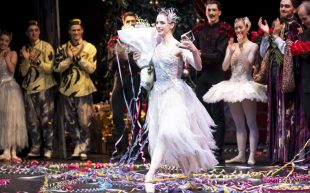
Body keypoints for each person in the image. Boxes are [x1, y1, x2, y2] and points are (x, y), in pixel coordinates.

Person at [118, 8, 218, 192]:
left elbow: (198, 65)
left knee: (166, 132)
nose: (158, 26)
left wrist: (195, 50)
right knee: (172, 137)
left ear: (171, 25)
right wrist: (138, 58)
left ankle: (151, 174)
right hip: (159, 95)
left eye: (162, 23)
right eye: (156, 22)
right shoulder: (156, 45)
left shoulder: (178, 46)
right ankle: (189, 178)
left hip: (176, 94)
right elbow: (147, 64)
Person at [203, 17, 267, 165]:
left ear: (247, 28)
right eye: (236, 28)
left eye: (241, 27)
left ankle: (251, 155)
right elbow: (225, 67)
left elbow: (250, 62)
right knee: (238, 123)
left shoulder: (253, 46)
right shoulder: (231, 45)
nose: (238, 30)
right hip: (232, 84)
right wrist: (231, 52)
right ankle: (240, 154)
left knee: (250, 122)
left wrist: (243, 49)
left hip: (246, 85)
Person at [257, 0, 305, 163]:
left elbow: (289, 52)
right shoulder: (275, 25)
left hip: (289, 78)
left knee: (287, 114)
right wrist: (266, 36)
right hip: (273, 76)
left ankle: (289, 155)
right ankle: (277, 155)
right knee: (276, 113)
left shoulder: (297, 28)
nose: (283, 9)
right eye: (281, 6)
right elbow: (264, 53)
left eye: (287, 6)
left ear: (295, 9)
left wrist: (275, 36)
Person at [192, 0, 234, 163]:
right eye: (209, 9)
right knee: (201, 115)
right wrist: (195, 53)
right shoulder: (199, 29)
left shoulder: (225, 29)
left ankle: (217, 153)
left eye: (214, 10)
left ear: (219, 12)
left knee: (217, 115)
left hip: (216, 75)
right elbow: (192, 50)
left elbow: (219, 56)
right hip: (202, 76)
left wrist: (199, 53)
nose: (210, 12)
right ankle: (205, 151)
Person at [54, 18, 97, 161]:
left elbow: (92, 69)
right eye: (73, 30)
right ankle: (77, 145)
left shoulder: (90, 48)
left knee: (84, 121)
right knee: (70, 121)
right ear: (69, 32)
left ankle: (84, 147)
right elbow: (56, 68)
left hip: (84, 89)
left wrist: (77, 58)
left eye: (78, 30)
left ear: (82, 31)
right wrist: (69, 59)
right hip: (67, 89)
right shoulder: (62, 48)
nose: (76, 32)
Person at [20, 20, 57, 160]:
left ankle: (48, 149)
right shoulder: (25, 50)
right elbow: (23, 73)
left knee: (47, 120)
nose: (33, 33)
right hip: (29, 89)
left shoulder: (46, 47)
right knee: (31, 121)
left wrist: (38, 61)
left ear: (39, 32)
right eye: (30, 30)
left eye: (36, 30)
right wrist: (27, 60)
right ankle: (35, 148)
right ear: (27, 33)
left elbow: (50, 69)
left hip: (44, 87)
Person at [107, 11, 141, 159]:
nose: (131, 24)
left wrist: (129, 58)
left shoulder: (141, 41)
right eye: (128, 21)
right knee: (117, 115)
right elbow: (109, 67)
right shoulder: (115, 41)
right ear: (123, 22)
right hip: (119, 81)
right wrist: (117, 57)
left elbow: (144, 64)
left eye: (133, 21)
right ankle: (122, 148)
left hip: (134, 80)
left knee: (135, 116)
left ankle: (134, 148)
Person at [0, 31, 28, 162]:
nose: (3, 43)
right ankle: (6, 150)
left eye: (6, 41)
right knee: (4, 120)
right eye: (1, 40)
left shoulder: (13, 53)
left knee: (14, 119)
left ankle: (14, 151)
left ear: (9, 42)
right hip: (1, 89)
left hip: (11, 88)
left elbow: (11, 70)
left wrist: (6, 57)